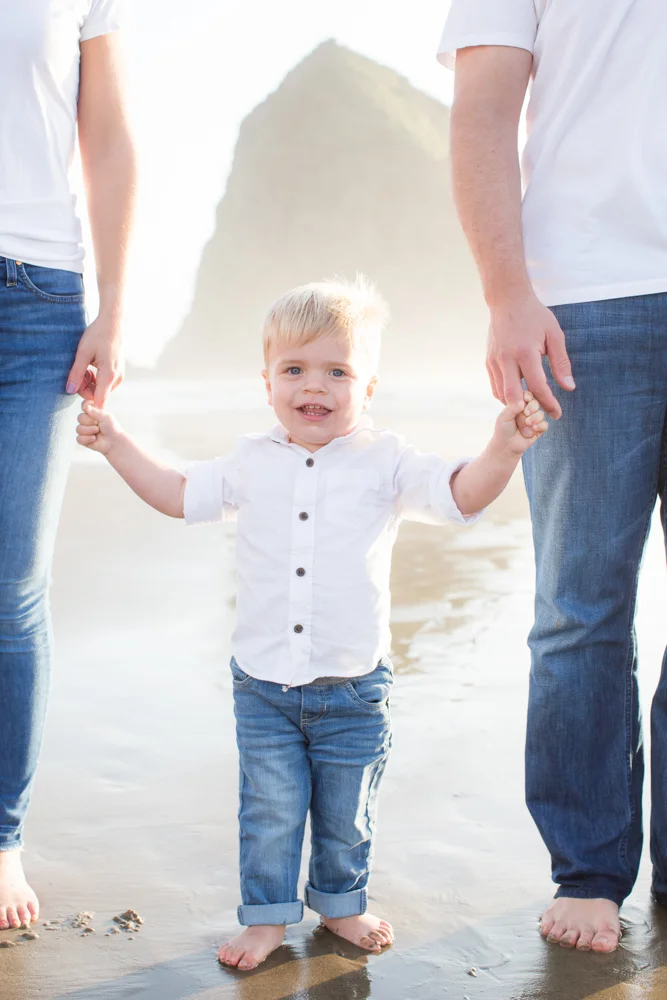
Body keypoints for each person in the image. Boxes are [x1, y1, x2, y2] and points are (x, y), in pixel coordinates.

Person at [75, 276, 547, 969]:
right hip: (263, 685)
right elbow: (178, 495)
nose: (312, 386)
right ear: (265, 382)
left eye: (336, 371)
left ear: (369, 386)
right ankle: (266, 917)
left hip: (353, 687)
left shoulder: (386, 462)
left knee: (346, 812)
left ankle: (341, 904)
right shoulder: (248, 461)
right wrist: (116, 445)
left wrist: (502, 448)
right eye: (293, 369)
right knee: (267, 811)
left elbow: (459, 495)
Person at [439, 0, 667, 956]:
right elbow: (482, 109)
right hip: (583, 299)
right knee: (580, 606)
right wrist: (505, 294)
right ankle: (587, 868)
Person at [0, 1, 135, 931]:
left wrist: (115, 306)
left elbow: (110, 140)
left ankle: (0, 840)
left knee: (10, 588)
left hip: (37, 295)